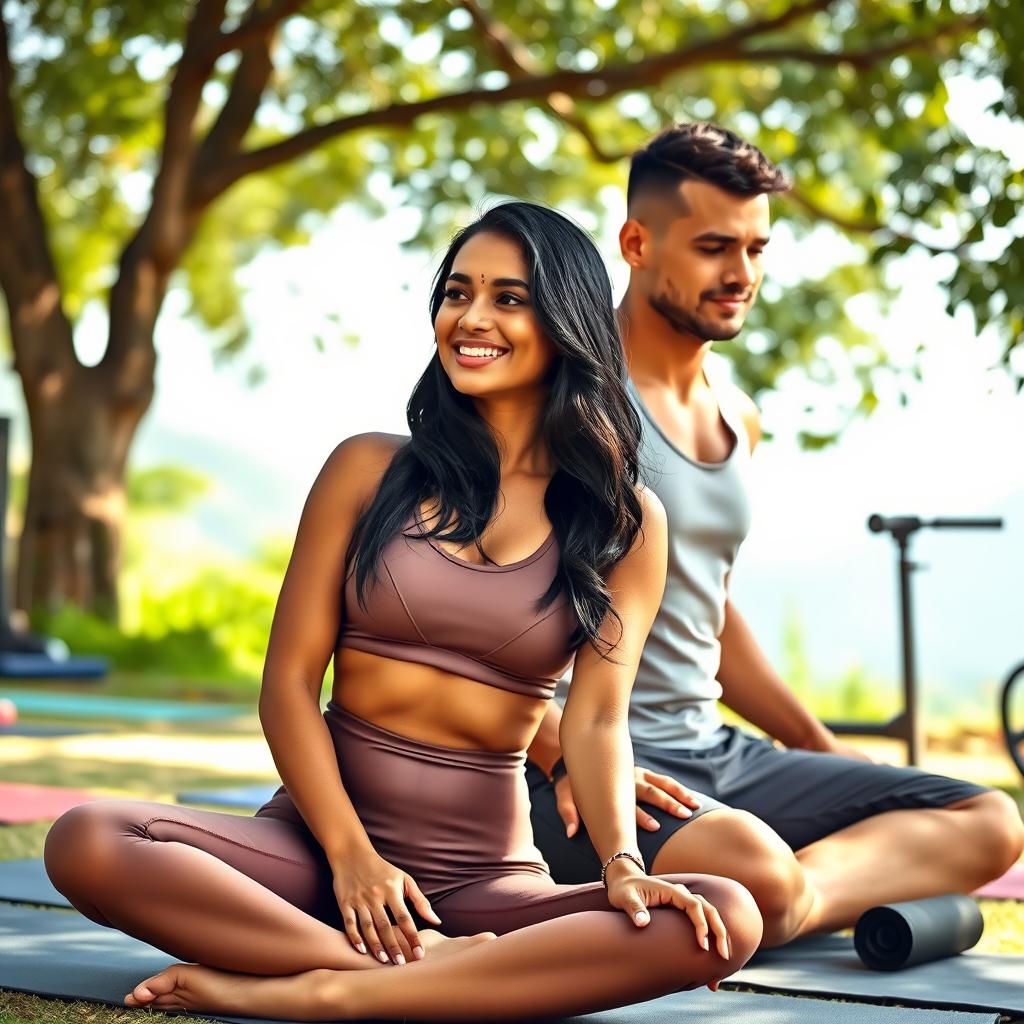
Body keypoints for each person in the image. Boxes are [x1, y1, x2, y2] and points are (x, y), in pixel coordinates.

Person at [44, 201, 762, 1021]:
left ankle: (326, 994)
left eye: (508, 298)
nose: (471, 317)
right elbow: (286, 684)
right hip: (313, 853)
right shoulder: (367, 470)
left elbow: (597, 723)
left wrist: (624, 865)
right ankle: (406, 973)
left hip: (486, 882)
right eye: (457, 293)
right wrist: (351, 858)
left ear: (565, 323)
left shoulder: (624, 524)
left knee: (723, 917)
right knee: (89, 840)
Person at [526, 123, 1024, 948]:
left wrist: (818, 748)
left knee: (987, 819)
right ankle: (784, 889)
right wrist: (552, 748)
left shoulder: (736, 414)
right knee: (757, 869)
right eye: (716, 246)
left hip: (716, 749)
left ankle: (785, 903)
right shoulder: (566, 395)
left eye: (758, 248)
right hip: (596, 756)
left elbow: (708, 611)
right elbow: (478, 591)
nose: (742, 274)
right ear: (637, 242)